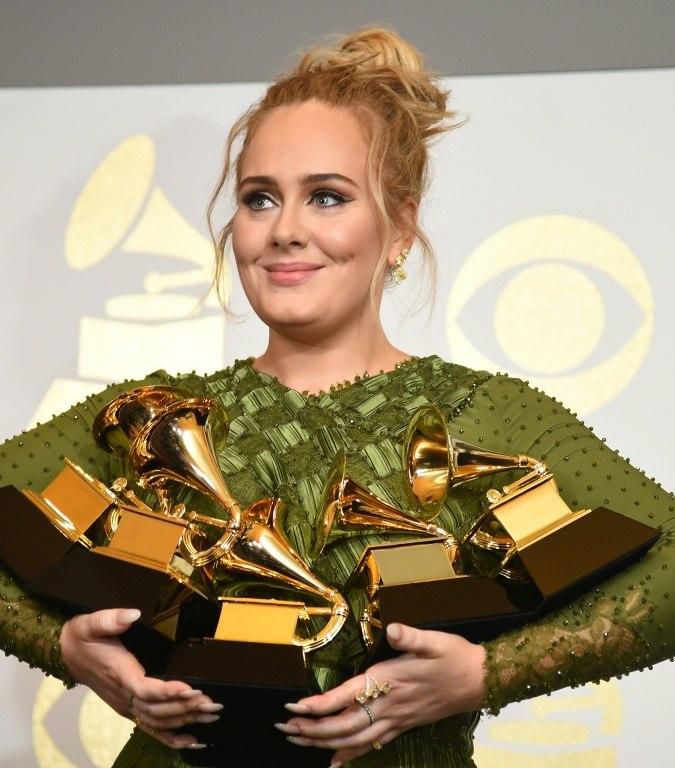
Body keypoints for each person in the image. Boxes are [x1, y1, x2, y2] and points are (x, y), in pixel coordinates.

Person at [0, 25, 673, 768]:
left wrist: (484, 675)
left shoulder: (483, 412)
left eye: (325, 197)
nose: (285, 230)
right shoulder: (150, 416)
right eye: (259, 199)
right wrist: (67, 647)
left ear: (399, 228)